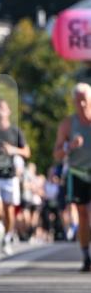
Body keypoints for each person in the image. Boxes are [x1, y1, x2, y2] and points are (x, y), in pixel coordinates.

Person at [0, 99, 30, 256]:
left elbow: (26, 152)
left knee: (9, 211)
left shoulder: (15, 131)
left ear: (8, 111)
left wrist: (13, 150)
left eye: (3, 108)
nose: (0, 111)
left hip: (9, 175)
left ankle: (7, 237)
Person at [53, 82, 91, 272]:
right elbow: (57, 154)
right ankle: (86, 256)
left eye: (84, 100)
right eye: (78, 101)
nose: (82, 105)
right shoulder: (68, 124)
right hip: (77, 174)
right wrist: (70, 147)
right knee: (83, 216)